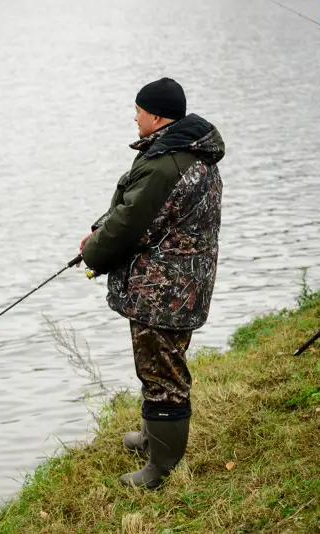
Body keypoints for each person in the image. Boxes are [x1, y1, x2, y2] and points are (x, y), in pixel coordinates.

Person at [78, 77, 225, 489]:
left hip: (165, 289)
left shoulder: (166, 163)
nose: (134, 116)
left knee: (163, 375)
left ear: (158, 117)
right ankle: (151, 437)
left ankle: (161, 467)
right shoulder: (186, 153)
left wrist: (92, 253)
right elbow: (136, 211)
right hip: (179, 283)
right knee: (154, 365)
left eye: (139, 110)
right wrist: (98, 232)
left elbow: (129, 224)